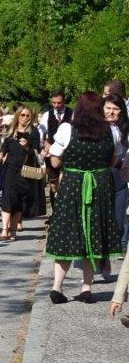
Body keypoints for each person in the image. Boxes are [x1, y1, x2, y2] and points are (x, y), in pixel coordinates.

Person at [45, 91, 120, 304]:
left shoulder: (67, 129)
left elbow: (55, 162)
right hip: (100, 185)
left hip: (73, 185)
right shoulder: (112, 131)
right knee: (94, 232)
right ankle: (86, 287)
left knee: (67, 232)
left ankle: (57, 286)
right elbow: (113, 161)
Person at [0, 105, 43, 241]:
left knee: (18, 200)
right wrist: (0, 154)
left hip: (25, 170)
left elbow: (36, 151)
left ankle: (13, 230)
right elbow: (5, 146)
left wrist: (27, 146)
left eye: (28, 115)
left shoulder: (34, 132)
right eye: (22, 115)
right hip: (10, 168)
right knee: (7, 198)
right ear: (18, 116)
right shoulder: (11, 130)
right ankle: (4, 229)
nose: (25, 118)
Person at [39, 90, 74, 206]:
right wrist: (44, 145)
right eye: (54, 103)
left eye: (59, 103)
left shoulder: (72, 114)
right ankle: (55, 209)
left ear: (64, 101)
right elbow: (41, 132)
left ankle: (65, 208)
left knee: (66, 181)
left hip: (67, 153)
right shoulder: (47, 115)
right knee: (53, 184)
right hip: (51, 153)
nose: (56, 105)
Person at [103, 94, 129, 246]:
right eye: (108, 108)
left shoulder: (125, 130)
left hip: (120, 179)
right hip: (100, 178)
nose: (111, 112)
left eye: (115, 109)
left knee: (118, 222)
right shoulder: (95, 129)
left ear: (122, 111)